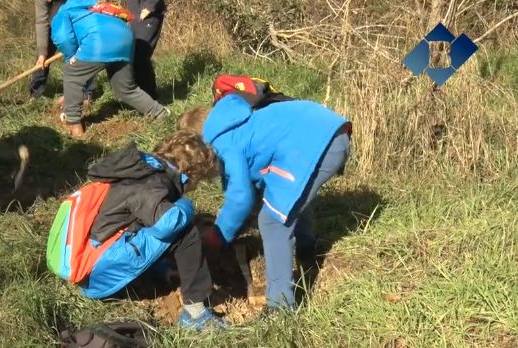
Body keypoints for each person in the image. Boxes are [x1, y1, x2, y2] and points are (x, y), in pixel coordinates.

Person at [179, 89, 352, 311]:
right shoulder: (233, 123)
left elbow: (240, 197)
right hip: (328, 131)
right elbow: (250, 183)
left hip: (317, 143)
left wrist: (218, 235)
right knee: (287, 195)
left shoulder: (222, 143)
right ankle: (306, 247)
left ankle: (279, 306)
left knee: (272, 221)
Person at [80, 130, 226, 330]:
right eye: (199, 182)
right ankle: (195, 313)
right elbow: (167, 225)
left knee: (161, 219)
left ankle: (159, 270)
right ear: (190, 175)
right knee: (185, 231)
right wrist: (185, 206)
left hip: (89, 259)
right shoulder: (153, 184)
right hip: (99, 275)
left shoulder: (142, 167)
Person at [51, 0, 169, 137]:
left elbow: (63, 38)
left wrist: (71, 56)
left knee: (72, 73)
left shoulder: (62, 13)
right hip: (125, 37)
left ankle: (74, 126)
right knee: (126, 89)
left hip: (99, 40)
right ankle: (160, 113)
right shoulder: (92, 5)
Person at [29, 0, 97, 106]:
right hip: (54, 23)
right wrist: (42, 53)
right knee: (41, 59)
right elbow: (41, 22)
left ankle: (87, 93)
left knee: (82, 57)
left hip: (77, 22)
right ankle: (35, 93)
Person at [125, 0, 166, 99]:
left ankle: (150, 96)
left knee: (141, 53)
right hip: (134, 12)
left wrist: (150, 6)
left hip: (147, 13)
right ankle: (138, 97)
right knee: (133, 53)